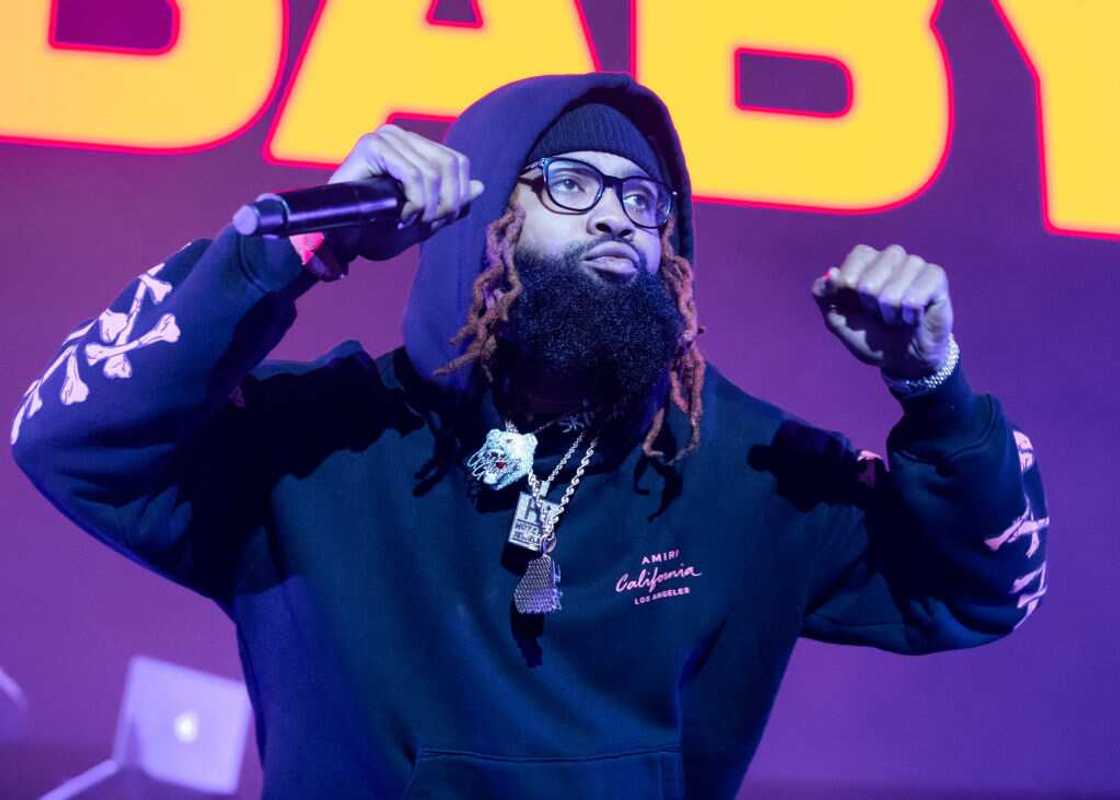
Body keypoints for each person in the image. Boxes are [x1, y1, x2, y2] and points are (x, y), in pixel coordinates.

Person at [11, 73, 1048, 798]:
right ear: (479, 226)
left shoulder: (741, 469)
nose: (618, 218)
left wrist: (933, 382)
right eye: (572, 184)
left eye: (645, 201)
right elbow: (69, 434)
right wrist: (299, 243)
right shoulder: (322, 446)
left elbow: (975, 586)